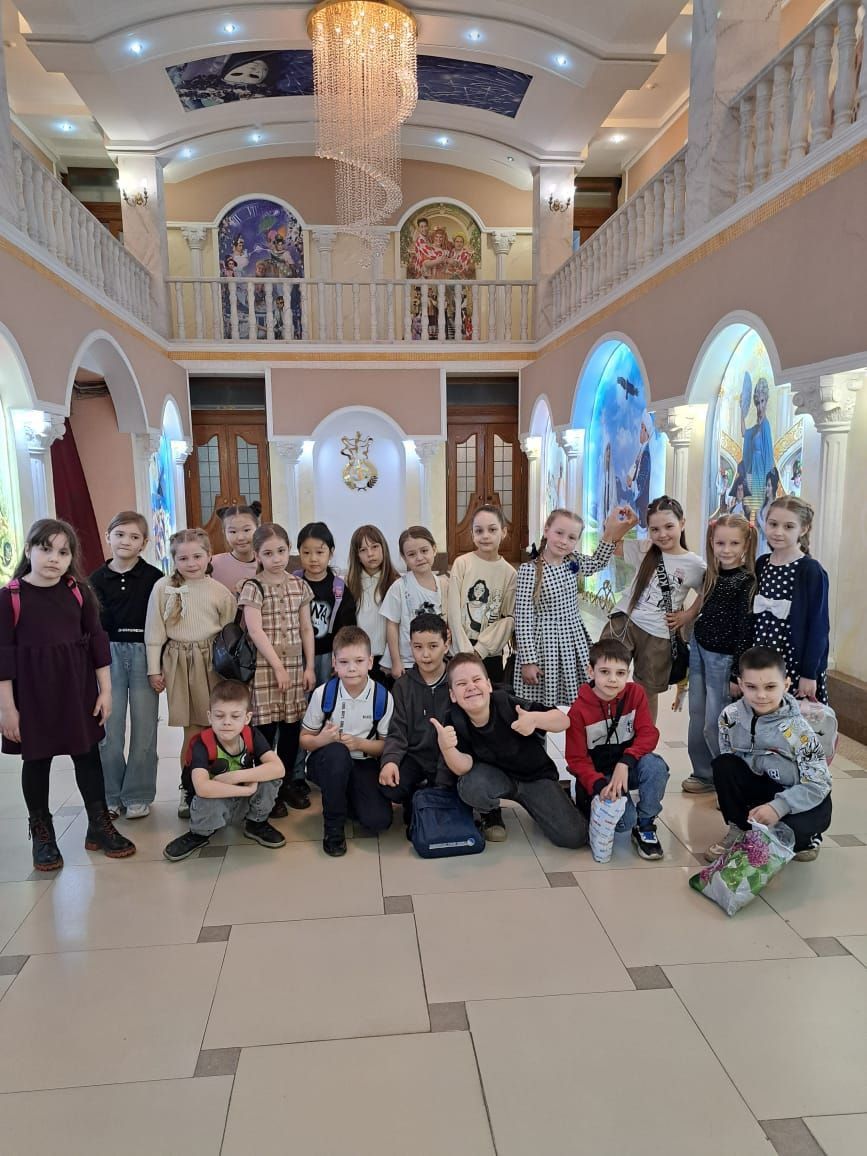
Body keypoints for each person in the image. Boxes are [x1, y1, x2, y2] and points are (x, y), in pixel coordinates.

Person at [0, 518, 135, 870]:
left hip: (77, 690)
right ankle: (42, 833)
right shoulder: (10, 597)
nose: (54, 558)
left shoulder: (79, 591)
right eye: (46, 549)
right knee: (37, 761)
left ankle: (98, 826)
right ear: (28, 550)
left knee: (87, 756)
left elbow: (97, 642)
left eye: (63, 552)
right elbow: (3, 657)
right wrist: (7, 709)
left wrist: (106, 691)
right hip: (32, 695)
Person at [433, 652, 588, 847]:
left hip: (534, 777)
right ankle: (490, 813)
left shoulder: (508, 703)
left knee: (574, 837)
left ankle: (551, 801)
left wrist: (535, 719)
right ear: (453, 695)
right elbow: (463, 767)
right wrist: (447, 748)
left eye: (476, 680)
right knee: (470, 786)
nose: (471, 687)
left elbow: (563, 720)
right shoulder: (455, 718)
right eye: (462, 684)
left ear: (489, 685)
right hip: (496, 779)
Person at [707, 645, 832, 863]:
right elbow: (731, 762)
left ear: (786, 685)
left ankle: (807, 838)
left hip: (794, 793)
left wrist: (779, 807)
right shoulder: (730, 716)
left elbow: (819, 784)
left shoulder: (799, 730)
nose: (761, 695)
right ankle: (741, 830)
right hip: (760, 787)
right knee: (724, 764)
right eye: (751, 687)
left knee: (807, 824)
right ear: (740, 684)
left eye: (770, 686)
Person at [144, 528, 237, 818]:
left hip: (212, 662)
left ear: (209, 556)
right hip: (180, 662)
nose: (191, 563)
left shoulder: (219, 591)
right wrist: (153, 669)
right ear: (173, 560)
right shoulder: (162, 588)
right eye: (183, 558)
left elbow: (230, 634)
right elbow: (154, 632)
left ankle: (219, 784)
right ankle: (189, 787)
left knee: (218, 725)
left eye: (197, 556)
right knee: (193, 730)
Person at [514, 505, 636, 708]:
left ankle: (570, 723)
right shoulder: (530, 570)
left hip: (573, 637)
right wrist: (528, 660)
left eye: (571, 537)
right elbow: (523, 619)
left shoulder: (573, 561)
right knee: (544, 696)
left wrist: (610, 531)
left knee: (574, 693)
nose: (564, 541)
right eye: (559, 533)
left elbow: (598, 561)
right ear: (547, 530)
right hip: (544, 642)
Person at [602, 496, 706, 721]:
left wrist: (687, 614)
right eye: (654, 529)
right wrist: (628, 525)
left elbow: (706, 591)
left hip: (658, 634)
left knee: (646, 691)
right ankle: (607, 730)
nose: (662, 534)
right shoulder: (645, 548)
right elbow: (611, 546)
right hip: (625, 622)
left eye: (669, 526)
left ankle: (645, 739)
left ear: (682, 523)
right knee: (605, 677)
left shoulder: (694, 564)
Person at [565, 640, 670, 859]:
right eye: (605, 672)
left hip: (627, 767)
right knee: (624, 822)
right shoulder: (578, 711)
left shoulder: (635, 694)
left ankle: (645, 824)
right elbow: (576, 759)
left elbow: (648, 733)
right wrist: (599, 785)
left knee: (656, 766)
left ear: (627, 674)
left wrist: (626, 761)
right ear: (591, 671)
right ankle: (588, 799)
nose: (613, 679)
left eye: (620, 673)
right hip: (599, 774)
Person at [90, 511, 163, 820]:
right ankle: (110, 794)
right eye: (119, 534)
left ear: (144, 543)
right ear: (108, 536)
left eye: (134, 537)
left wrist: (158, 664)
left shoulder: (154, 578)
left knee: (145, 728)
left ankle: (138, 794)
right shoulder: (94, 579)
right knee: (108, 728)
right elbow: (91, 627)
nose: (125, 541)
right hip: (108, 657)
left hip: (145, 653)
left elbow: (161, 623)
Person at [239, 523, 316, 815]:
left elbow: (306, 628)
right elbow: (255, 631)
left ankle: (284, 785)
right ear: (257, 555)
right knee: (265, 729)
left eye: (281, 551)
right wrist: (278, 667)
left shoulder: (299, 585)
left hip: (295, 666)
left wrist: (309, 666)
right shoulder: (253, 587)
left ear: (289, 550)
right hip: (265, 667)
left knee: (291, 727)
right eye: (268, 553)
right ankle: (264, 790)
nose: (276, 559)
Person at [163, 680, 286, 861]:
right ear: (210, 717)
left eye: (235, 716)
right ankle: (199, 833)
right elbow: (202, 788)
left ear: (247, 718)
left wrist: (235, 776)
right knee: (206, 795)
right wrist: (246, 790)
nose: (227, 722)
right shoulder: (202, 743)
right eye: (219, 716)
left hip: (240, 799)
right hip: (214, 802)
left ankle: (256, 823)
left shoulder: (251, 735)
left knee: (271, 777)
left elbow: (278, 768)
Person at [301, 626, 394, 857]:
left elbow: (385, 746)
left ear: (370, 662)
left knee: (378, 821)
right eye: (344, 662)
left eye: (359, 661)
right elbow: (304, 739)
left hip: (363, 761)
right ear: (334, 663)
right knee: (337, 755)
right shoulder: (324, 693)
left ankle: (344, 797)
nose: (352, 668)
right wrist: (322, 739)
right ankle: (333, 828)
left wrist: (359, 744)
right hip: (327, 761)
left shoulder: (382, 697)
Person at [683, 515, 757, 794]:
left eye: (734, 543)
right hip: (699, 650)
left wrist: (737, 672)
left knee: (717, 722)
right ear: (711, 543)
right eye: (720, 543)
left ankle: (730, 780)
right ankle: (704, 773)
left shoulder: (747, 581)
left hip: (724, 659)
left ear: (746, 544)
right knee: (697, 715)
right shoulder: (710, 576)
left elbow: (745, 628)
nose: (726, 550)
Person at [750, 496, 830, 703]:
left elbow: (819, 627)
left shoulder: (810, 570)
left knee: (791, 716)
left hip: (793, 661)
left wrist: (809, 673)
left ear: (803, 529)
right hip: (762, 655)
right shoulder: (762, 563)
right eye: (773, 524)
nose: (778, 532)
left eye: (788, 526)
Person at [379, 612, 451, 832]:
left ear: (446, 645)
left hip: (449, 758)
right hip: (415, 756)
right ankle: (414, 796)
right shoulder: (403, 685)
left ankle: (433, 795)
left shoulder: (456, 680)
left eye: (433, 646)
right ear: (410, 646)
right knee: (391, 787)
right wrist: (390, 761)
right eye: (418, 647)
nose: (425, 654)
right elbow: (397, 730)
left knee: (450, 792)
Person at [447, 504, 516, 684]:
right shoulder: (462, 563)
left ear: (503, 532)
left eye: (492, 530)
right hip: (459, 649)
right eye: (479, 531)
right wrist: (464, 650)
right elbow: (453, 609)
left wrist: (481, 649)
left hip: (489, 653)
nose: (485, 536)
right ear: (472, 534)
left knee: (489, 695)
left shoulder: (510, 573)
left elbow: (508, 618)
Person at [380, 525, 449, 680]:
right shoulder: (399, 587)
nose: (419, 557)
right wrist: (396, 662)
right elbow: (391, 625)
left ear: (434, 549)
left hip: (436, 659)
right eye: (412, 554)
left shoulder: (444, 585)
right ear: (404, 557)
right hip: (408, 662)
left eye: (424, 551)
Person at [294, 521, 357, 687]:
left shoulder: (339, 588)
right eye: (306, 552)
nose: (313, 558)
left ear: (331, 553)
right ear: (299, 552)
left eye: (320, 552)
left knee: (326, 695)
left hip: (328, 656)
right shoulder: (293, 583)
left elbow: (347, 628)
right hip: (296, 655)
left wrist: (342, 656)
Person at [346, 524, 400, 684]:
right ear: (357, 555)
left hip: (388, 660)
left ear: (383, 548)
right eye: (363, 550)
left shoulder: (396, 582)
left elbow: (398, 625)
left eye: (375, 547)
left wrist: (390, 659)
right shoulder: (350, 583)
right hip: (360, 658)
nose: (370, 554)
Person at [210, 501, 262, 593]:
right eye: (233, 532)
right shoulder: (212, 564)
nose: (240, 537)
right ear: (224, 532)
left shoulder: (266, 563)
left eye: (246, 530)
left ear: (258, 528)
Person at [755, 468, 779, 557]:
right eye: (766, 485)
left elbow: (770, 532)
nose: (767, 489)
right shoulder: (762, 506)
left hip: (769, 546)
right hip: (759, 544)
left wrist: (758, 518)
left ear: (774, 487)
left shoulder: (777, 506)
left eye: (769, 485)